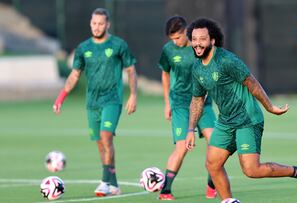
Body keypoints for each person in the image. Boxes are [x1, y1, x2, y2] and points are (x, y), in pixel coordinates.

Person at [185, 18, 297, 201]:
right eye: (194, 39)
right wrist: (191, 129)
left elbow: (252, 83)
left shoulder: (227, 60)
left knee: (252, 170)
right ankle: (229, 200)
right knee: (212, 164)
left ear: (212, 40)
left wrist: (269, 107)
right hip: (225, 120)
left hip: (247, 118)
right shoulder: (197, 68)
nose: (197, 43)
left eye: (202, 39)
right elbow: (197, 99)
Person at [53, 8, 137, 197]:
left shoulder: (118, 45)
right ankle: (114, 183)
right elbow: (75, 75)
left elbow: (131, 69)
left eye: (101, 23)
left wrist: (133, 95)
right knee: (101, 143)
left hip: (112, 100)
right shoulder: (83, 48)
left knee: (106, 136)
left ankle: (104, 182)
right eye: (94, 23)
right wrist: (60, 98)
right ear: (90, 24)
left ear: (108, 25)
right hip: (92, 103)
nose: (97, 27)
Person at [157, 16, 217, 200]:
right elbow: (165, 75)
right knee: (182, 147)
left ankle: (212, 185)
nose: (174, 41)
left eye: (177, 37)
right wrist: (167, 103)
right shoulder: (167, 50)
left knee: (216, 142)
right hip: (181, 104)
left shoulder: (199, 46)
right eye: (171, 38)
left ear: (186, 32)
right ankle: (165, 191)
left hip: (203, 103)